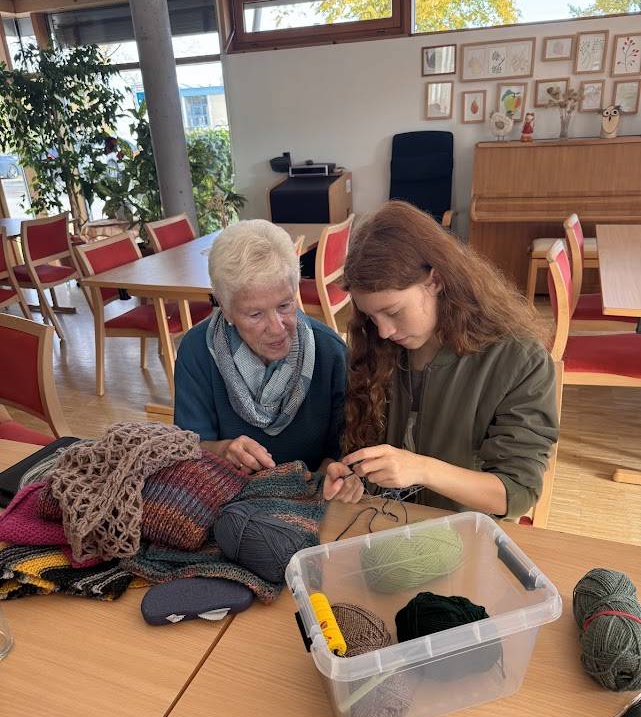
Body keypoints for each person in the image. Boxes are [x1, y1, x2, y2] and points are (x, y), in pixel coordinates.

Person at [324, 201, 559, 518]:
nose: (383, 331)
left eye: (394, 311)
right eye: (371, 316)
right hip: (384, 520)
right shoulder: (377, 346)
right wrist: (353, 475)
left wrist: (421, 469)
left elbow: (516, 492)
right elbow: (361, 446)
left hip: (462, 529)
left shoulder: (519, 360)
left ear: (435, 281)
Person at [174, 219, 362, 503]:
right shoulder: (197, 351)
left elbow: (342, 453)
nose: (276, 328)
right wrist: (223, 450)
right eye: (255, 314)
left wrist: (332, 477)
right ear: (225, 308)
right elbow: (187, 449)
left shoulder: (331, 353)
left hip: (310, 503)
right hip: (229, 501)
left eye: (285, 305)